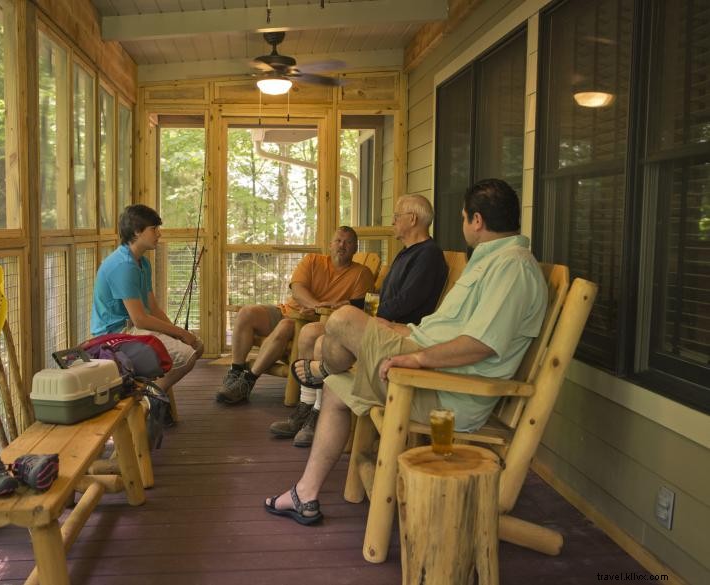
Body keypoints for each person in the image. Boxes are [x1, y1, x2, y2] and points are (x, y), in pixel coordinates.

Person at [264, 178, 548, 525]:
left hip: (444, 391)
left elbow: (480, 345)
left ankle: (325, 368)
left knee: (341, 321)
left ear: (477, 221)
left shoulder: (512, 267)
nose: (462, 226)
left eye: (462, 218)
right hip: (428, 368)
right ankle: (304, 494)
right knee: (337, 382)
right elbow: (452, 328)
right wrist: (402, 331)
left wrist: (415, 358)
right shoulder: (491, 261)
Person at [269, 194, 448, 447]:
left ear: (413, 219)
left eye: (397, 216)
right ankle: (307, 407)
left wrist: (360, 315)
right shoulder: (407, 253)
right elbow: (383, 298)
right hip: (382, 324)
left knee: (321, 342)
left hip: (398, 332)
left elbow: (406, 303)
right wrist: (350, 305)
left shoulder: (428, 255)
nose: (393, 221)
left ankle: (318, 411)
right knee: (310, 333)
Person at [217, 227, 375, 405]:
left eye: (348, 242)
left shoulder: (362, 274)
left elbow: (356, 310)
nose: (342, 245)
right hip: (289, 311)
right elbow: (298, 290)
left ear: (355, 248)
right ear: (330, 245)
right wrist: (315, 305)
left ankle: (248, 381)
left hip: (313, 324)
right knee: (246, 313)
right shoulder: (313, 260)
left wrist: (316, 313)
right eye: (338, 240)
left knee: (285, 326)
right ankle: (236, 371)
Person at [91, 204, 203, 395]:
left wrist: (179, 334)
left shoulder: (142, 262)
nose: (159, 234)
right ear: (136, 232)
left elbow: (153, 308)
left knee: (197, 346)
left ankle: (154, 393)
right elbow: (140, 319)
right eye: (154, 229)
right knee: (187, 355)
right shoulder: (123, 266)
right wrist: (181, 335)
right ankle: (153, 398)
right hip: (114, 335)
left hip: (134, 329)